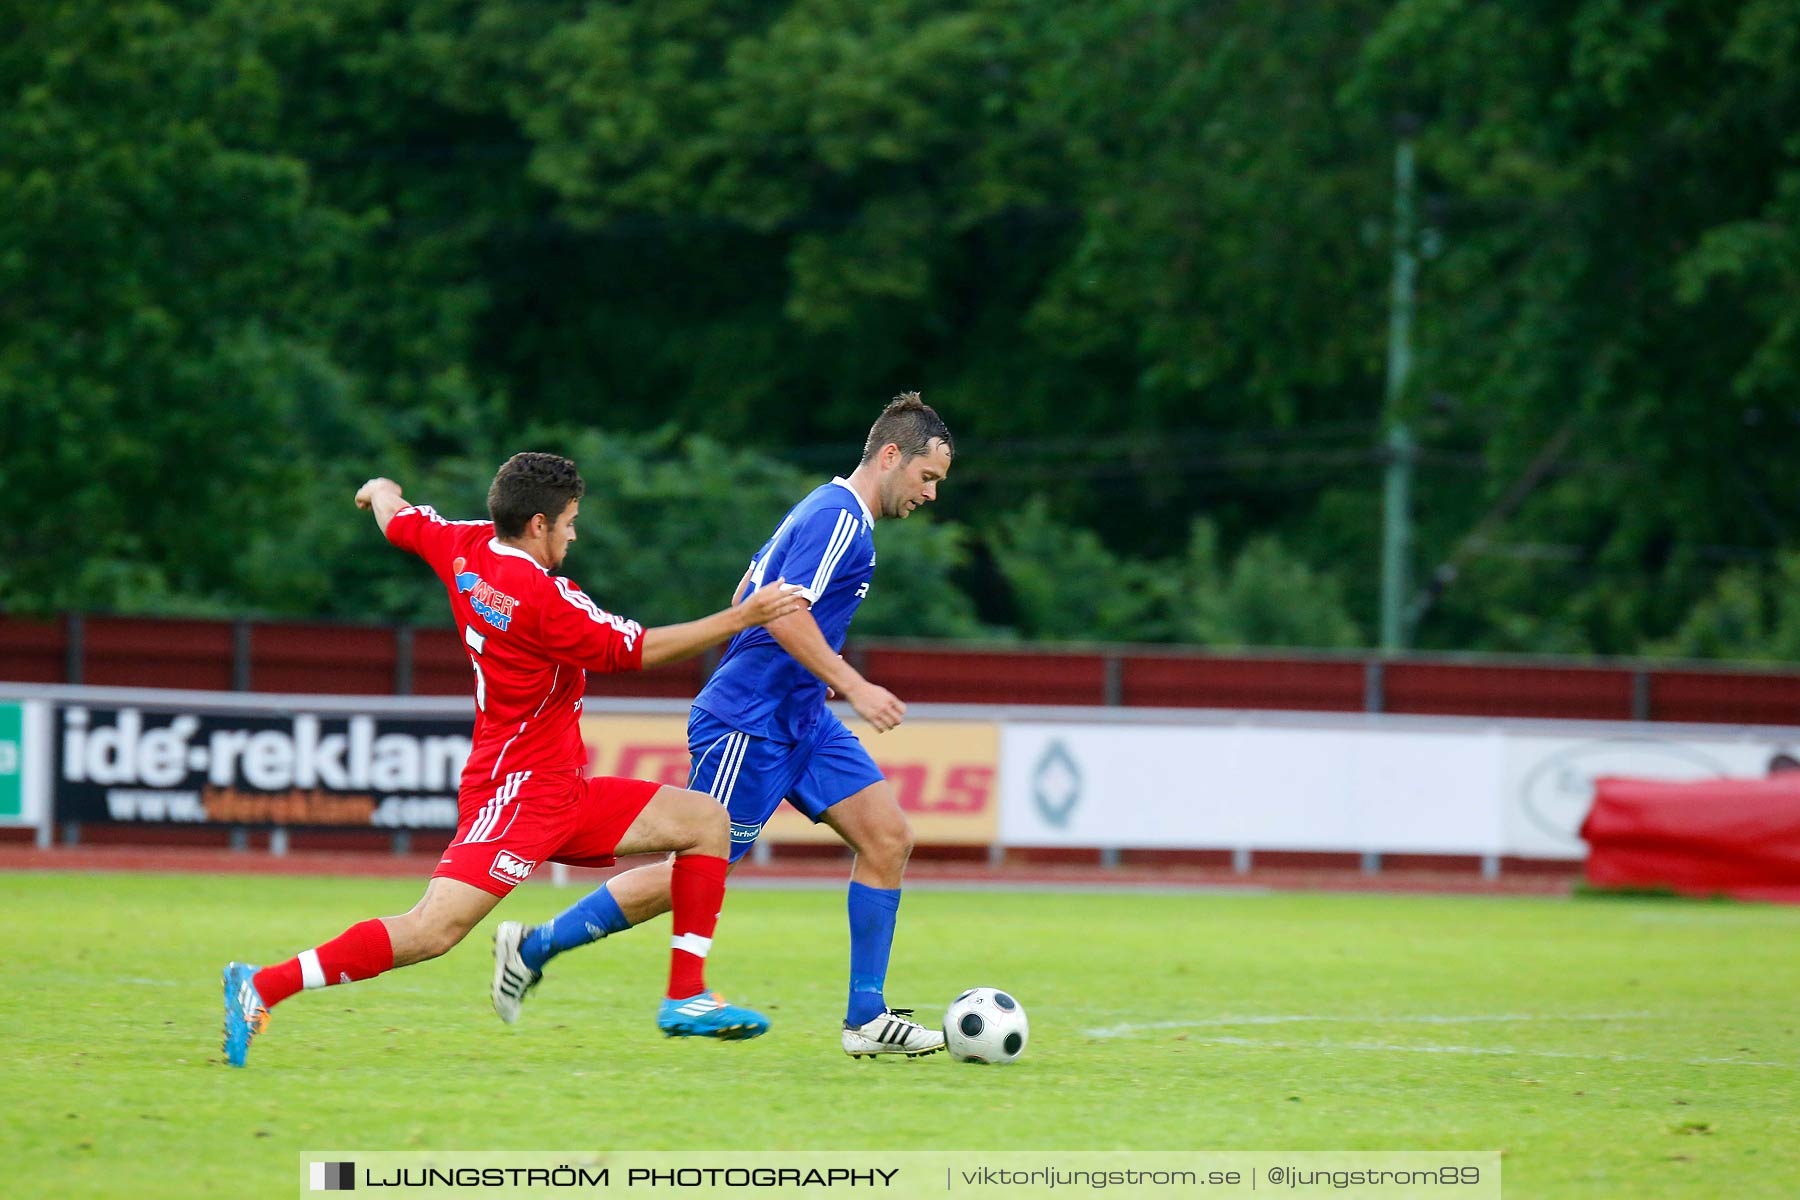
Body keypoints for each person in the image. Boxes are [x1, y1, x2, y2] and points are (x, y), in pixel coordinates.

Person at [220, 452, 808, 1067]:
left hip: (560, 789)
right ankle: (262, 985)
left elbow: (400, 520)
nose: (574, 533)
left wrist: (380, 488)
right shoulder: (542, 598)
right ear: (537, 524)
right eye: (570, 521)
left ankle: (686, 996)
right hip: (517, 792)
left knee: (704, 821)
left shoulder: (464, 546)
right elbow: (635, 650)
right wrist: (743, 617)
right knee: (432, 932)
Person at [494, 393, 954, 1059]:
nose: (930, 494)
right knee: (697, 867)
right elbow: (777, 613)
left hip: (800, 721)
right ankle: (533, 945)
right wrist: (852, 682)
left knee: (888, 837)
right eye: (927, 477)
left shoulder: (824, 513)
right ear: (891, 456)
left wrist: (814, 678)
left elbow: (748, 594)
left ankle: (868, 1017)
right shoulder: (839, 521)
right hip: (750, 721)